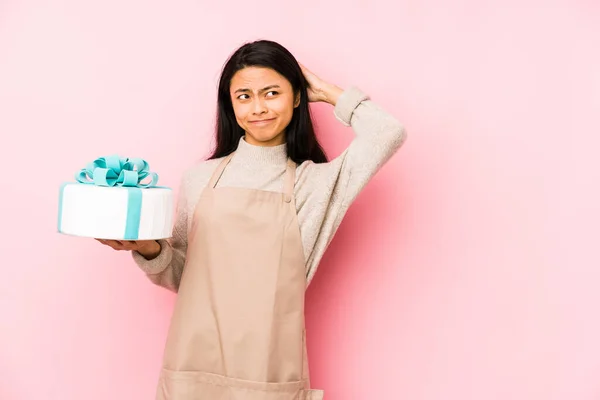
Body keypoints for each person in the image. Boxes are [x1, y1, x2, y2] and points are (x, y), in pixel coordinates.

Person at [96, 39, 406, 400]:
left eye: (271, 93)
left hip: (268, 370)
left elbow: (388, 132)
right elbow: (182, 276)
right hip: (193, 366)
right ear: (230, 104)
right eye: (243, 96)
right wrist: (149, 249)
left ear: (295, 97)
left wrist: (325, 91)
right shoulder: (200, 178)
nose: (257, 107)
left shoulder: (316, 184)